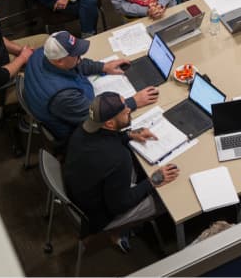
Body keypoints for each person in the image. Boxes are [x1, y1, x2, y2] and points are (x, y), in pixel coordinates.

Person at [63, 92, 178, 252]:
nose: (129, 110)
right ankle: (119, 230)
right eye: (124, 111)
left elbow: (104, 138)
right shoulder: (118, 157)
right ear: (110, 124)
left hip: (80, 194)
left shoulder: (83, 129)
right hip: (97, 215)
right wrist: (153, 181)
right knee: (167, 198)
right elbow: (119, 205)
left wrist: (129, 135)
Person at [22, 31, 158, 142]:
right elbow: (96, 117)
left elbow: (77, 63)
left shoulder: (43, 53)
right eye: (76, 54)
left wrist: (104, 67)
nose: (80, 57)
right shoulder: (62, 96)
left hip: (75, 102)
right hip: (76, 132)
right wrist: (133, 102)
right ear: (60, 61)